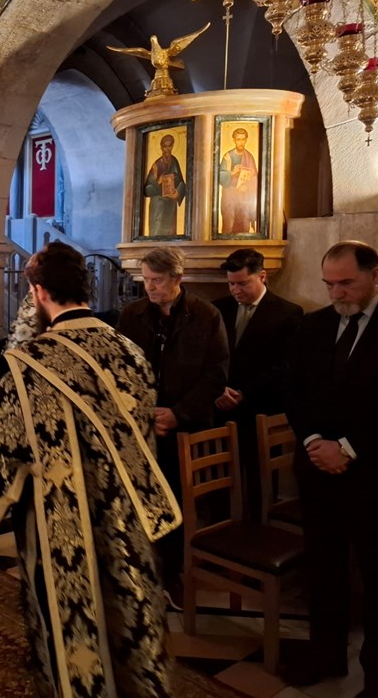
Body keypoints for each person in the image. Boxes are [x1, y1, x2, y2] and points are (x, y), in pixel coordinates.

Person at [0, 241, 180, 698]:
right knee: (129, 611)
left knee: (73, 629)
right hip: (126, 516)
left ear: (39, 293)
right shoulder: (130, 351)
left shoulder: (27, 366)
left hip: (61, 527)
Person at [283, 241, 378, 696]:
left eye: (346, 283)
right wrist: (313, 441)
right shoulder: (313, 326)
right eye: (329, 284)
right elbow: (294, 391)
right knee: (324, 569)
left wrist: (348, 448)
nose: (337, 293)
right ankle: (326, 652)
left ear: (375, 275)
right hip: (318, 471)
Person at [117, 246, 228, 597]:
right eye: (146, 280)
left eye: (157, 280)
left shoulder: (206, 315)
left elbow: (216, 374)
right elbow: (122, 369)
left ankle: (173, 572)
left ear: (177, 278)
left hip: (185, 427)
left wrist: (177, 414)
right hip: (143, 424)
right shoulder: (132, 315)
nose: (150, 287)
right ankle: (137, 567)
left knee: (175, 502)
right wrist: (144, 412)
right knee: (137, 497)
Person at [211, 248, 302, 519]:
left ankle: (257, 530)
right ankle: (221, 529)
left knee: (259, 486)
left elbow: (285, 366)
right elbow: (209, 356)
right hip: (221, 406)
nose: (235, 290)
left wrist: (244, 393)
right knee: (219, 482)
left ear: (262, 277)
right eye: (231, 283)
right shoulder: (219, 308)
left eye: (242, 283)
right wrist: (218, 389)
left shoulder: (288, 313)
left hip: (260, 409)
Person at [142, 133, 187, 236]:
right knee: (157, 232)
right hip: (158, 205)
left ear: (173, 146)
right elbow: (146, 190)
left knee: (170, 233)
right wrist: (158, 181)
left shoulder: (174, 162)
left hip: (170, 205)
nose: (167, 149)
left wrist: (177, 193)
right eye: (165, 146)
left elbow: (181, 183)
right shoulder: (156, 165)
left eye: (169, 146)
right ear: (161, 147)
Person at [218, 127, 259, 234]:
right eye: (238, 139)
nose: (241, 142)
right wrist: (232, 172)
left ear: (246, 140)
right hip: (230, 195)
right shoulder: (228, 157)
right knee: (229, 224)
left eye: (243, 139)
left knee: (244, 225)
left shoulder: (249, 157)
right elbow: (220, 177)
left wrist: (247, 186)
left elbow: (255, 178)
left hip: (244, 197)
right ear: (234, 140)